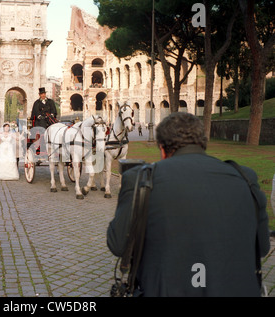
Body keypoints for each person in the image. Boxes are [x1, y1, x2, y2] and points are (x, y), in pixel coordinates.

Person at [107, 112, 270, 297]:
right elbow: (262, 246)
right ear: (203, 143)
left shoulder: (139, 178)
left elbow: (117, 244)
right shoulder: (246, 177)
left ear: (162, 149)